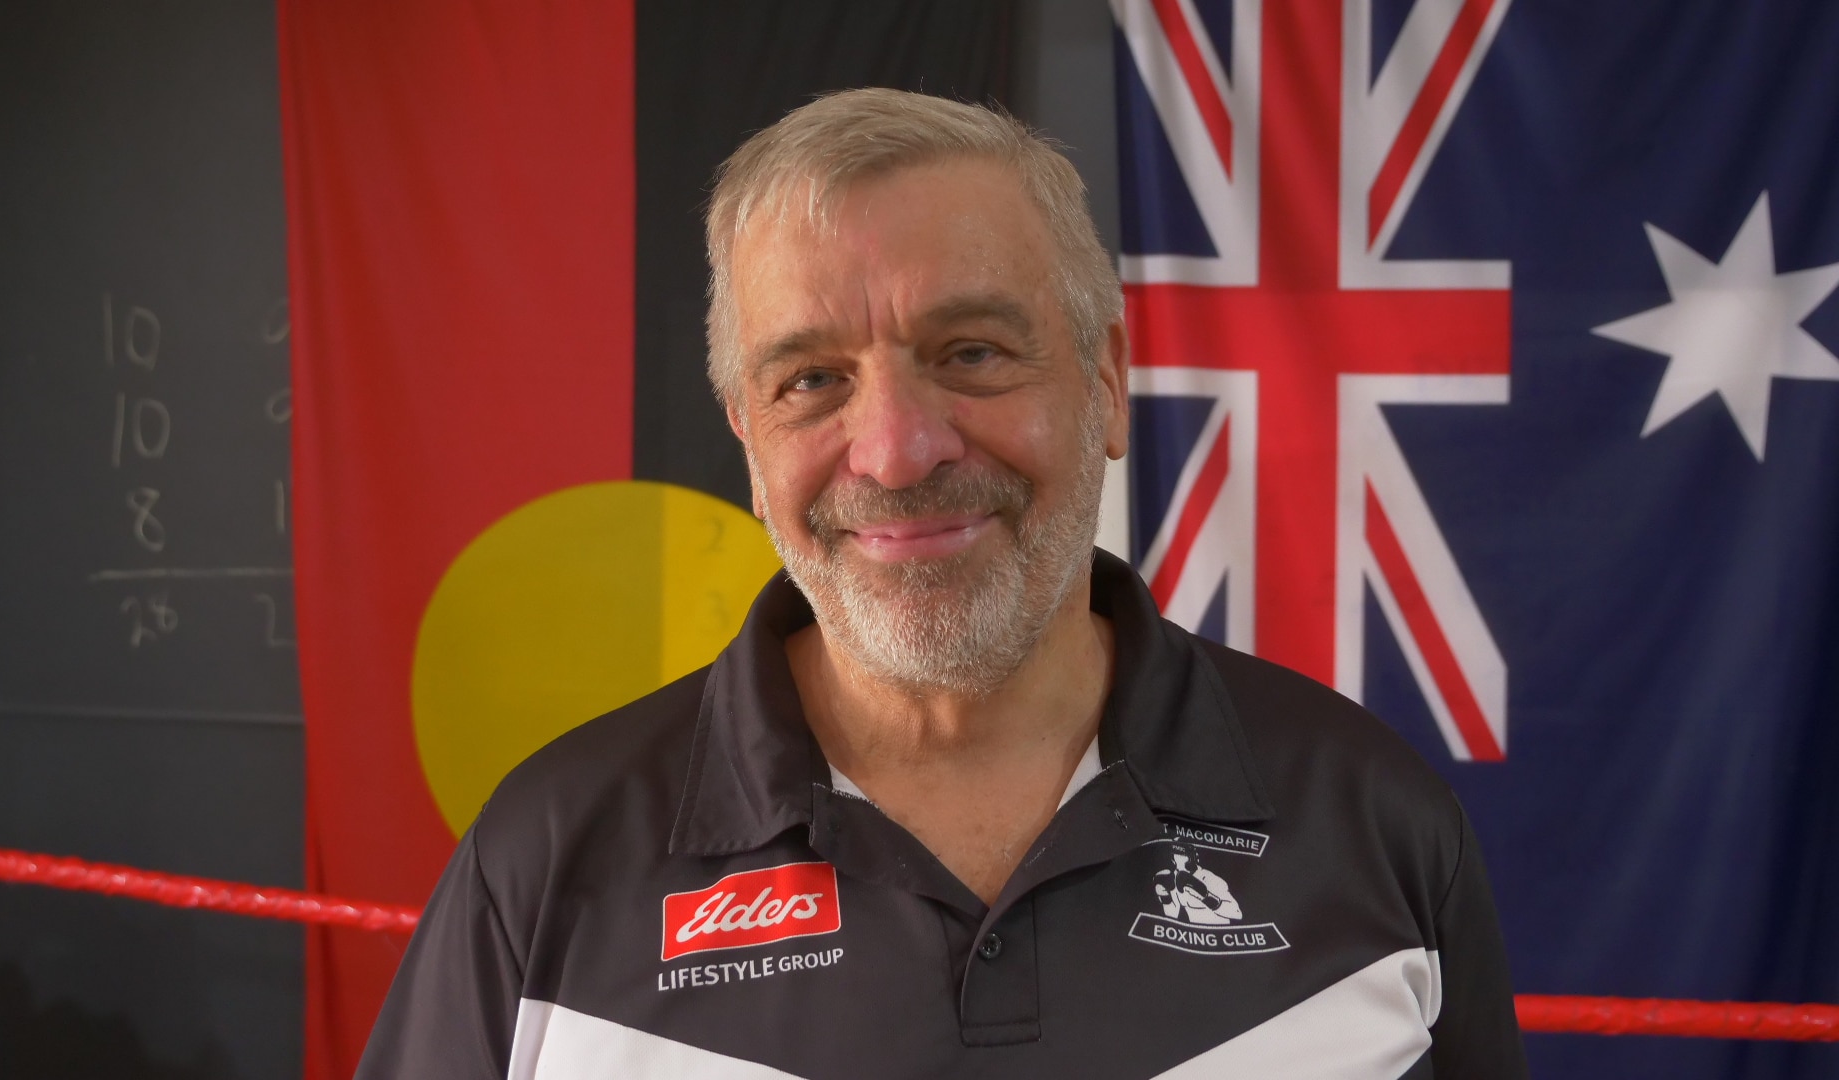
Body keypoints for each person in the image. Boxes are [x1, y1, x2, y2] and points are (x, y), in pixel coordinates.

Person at [357, 88, 1527, 1078]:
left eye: (970, 353)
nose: (897, 452)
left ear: (1106, 384)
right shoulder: (547, 862)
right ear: (749, 442)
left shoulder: (1375, 825)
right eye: (811, 380)